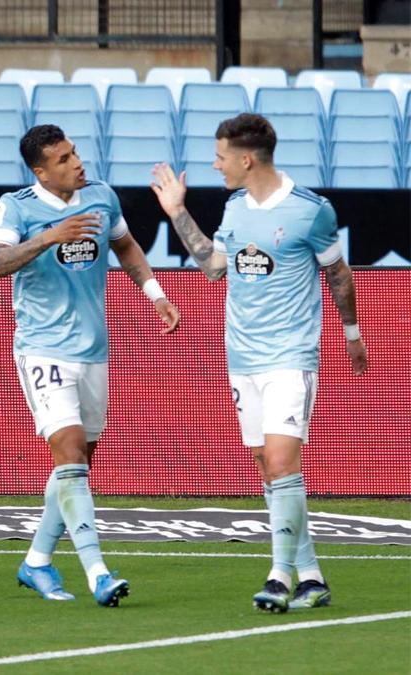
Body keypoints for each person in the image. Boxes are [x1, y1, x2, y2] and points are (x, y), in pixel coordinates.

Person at [150, 113, 366, 613]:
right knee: (267, 468)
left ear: (246, 159)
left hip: (291, 356)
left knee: (283, 461)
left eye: (220, 156)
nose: (215, 163)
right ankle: (311, 576)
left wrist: (352, 335)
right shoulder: (234, 209)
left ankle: (279, 575)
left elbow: (339, 276)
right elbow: (213, 268)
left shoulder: (311, 210)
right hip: (241, 358)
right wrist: (176, 213)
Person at [0, 124, 180, 606]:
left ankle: (35, 562)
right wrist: (50, 236)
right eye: (65, 158)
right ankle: (97, 572)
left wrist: (155, 295)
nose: (78, 163)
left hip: (93, 350)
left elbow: (126, 245)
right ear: (41, 171)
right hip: (42, 348)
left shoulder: (101, 196)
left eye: (75, 153)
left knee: (79, 463)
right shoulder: (16, 207)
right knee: (69, 451)